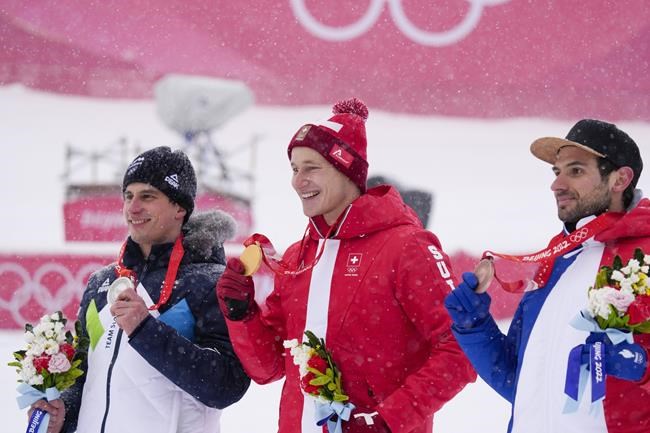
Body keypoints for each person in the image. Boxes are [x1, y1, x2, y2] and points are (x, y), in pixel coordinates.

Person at [216, 98, 476, 433]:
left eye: (312, 168)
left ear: (346, 170)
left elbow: (461, 348)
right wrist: (241, 314)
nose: (298, 181)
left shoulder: (407, 247)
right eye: (295, 169)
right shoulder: (299, 256)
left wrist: (387, 420)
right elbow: (268, 368)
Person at [444, 119, 650, 433]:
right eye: (557, 172)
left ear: (620, 179)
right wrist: (474, 328)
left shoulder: (644, 255)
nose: (557, 185)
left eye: (576, 171)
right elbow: (520, 382)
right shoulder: (556, 262)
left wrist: (643, 368)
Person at [31, 146, 250, 432]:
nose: (133, 208)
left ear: (179, 207)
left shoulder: (210, 284)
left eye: (148, 196)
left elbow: (226, 385)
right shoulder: (101, 283)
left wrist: (146, 330)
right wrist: (64, 414)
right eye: (128, 196)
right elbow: (86, 376)